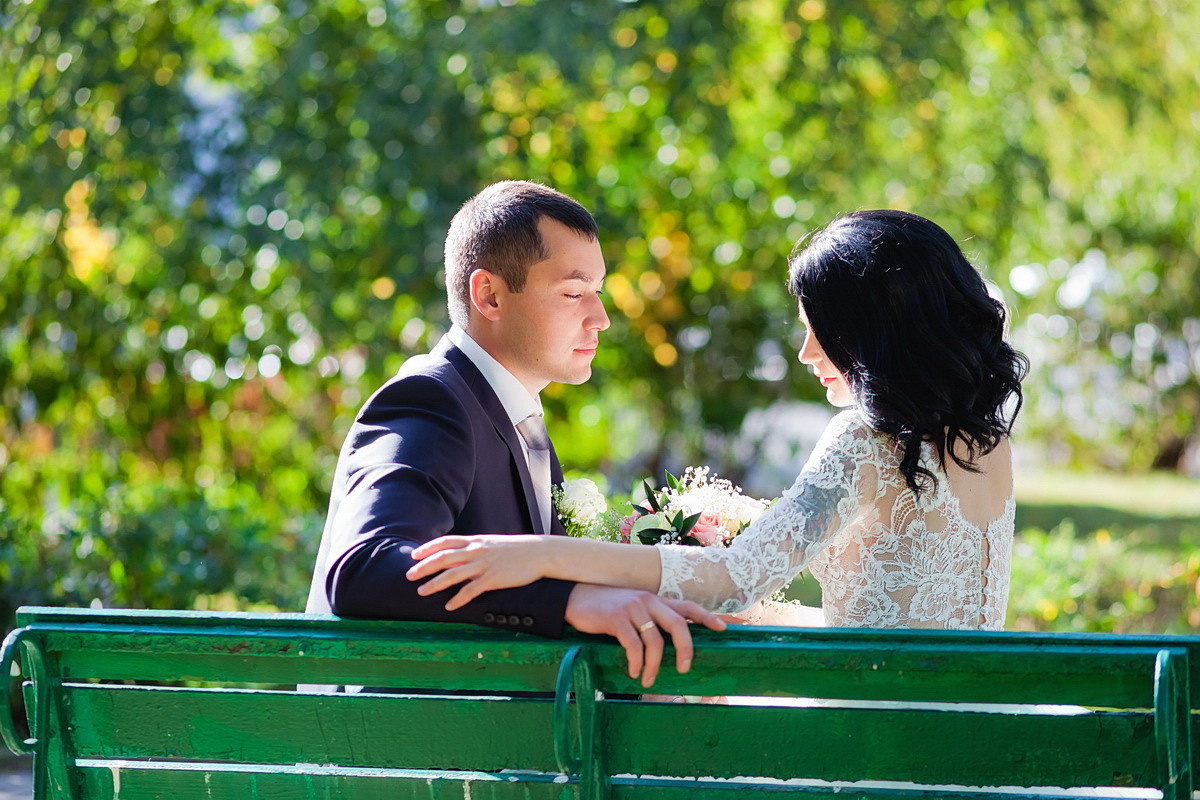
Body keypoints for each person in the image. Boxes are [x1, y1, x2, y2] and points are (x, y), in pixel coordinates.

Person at [405, 209, 1030, 633]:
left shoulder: (865, 441)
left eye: (821, 330)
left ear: (873, 334)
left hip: (870, 751)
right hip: (967, 740)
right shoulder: (989, 445)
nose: (808, 353)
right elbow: (901, 620)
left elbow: (732, 579)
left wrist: (539, 556)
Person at [306, 180, 724, 688]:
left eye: (597, 291)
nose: (601, 318)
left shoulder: (512, 414)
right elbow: (364, 569)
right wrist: (569, 601)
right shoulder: (431, 400)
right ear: (489, 295)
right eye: (573, 292)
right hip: (401, 753)